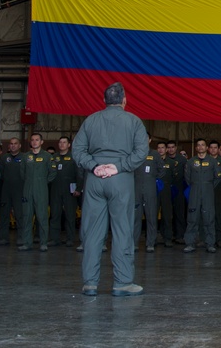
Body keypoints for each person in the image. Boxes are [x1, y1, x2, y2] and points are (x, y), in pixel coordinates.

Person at [72, 82, 149, 297]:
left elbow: (77, 150)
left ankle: (90, 283)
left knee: (92, 231)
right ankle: (123, 282)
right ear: (124, 100)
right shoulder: (133, 121)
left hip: (94, 179)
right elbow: (142, 151)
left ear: (104, 101)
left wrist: (95, 166)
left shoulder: (91, 120)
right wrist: (119, 166)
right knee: (122, 230)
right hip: (121, 178)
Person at [18, 133, 57, 252]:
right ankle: (27, 243)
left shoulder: (47, 156)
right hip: (27, 189)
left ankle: (43, 242)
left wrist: (43, 182)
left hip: (41, 189)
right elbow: (22, 173)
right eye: (33, 140)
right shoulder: (26, 156)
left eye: (37, 140)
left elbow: (53, 173)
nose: (34, 142)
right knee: (27, 216)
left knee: (42, 216)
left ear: (42, 142)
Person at [183, 138, 221, 254]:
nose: (200, 147)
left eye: (203, 145)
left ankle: (210, 244)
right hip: (194, 191)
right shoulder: (190, 162)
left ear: (206, 148)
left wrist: (208, 186)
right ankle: (190, 243)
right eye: (198, 145)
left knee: (209, 218)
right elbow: (187, 178)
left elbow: (218, 177)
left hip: (208, 192)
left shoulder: (213, 161)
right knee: (192, 218)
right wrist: (196, 186)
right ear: (196, 148)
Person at [132, 133, 165, 253]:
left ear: (150, 140)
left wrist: (153, 178)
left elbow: (162, 170)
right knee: (135, 217)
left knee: (151, 216)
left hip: (150, 188)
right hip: (136, 188)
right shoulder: (134, 153)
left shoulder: (155, 154)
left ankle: (150, 243)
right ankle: (134, 243)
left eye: (145, 138)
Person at [48, 136, 82, 247]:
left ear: (69, 145)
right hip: (55, 189)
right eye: (60, 142)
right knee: (55, 214)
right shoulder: (53, 157)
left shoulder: (74, 157)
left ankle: (70, 238)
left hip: (70, 190)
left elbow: (80, 174)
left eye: (64, 142)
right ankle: (54, 238)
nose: (62, 144)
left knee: (70, 215)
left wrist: (78, 189)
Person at [0, 137, 24, 245]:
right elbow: (0, 174)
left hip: (19, 190)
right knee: (3, 214)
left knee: (20, 214)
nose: (13, 145)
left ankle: (22, 238)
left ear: (19, 145)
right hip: (6, 190)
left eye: (15, 143)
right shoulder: (4, 158)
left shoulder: (24, 157)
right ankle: (3, 237)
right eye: (11, 144)